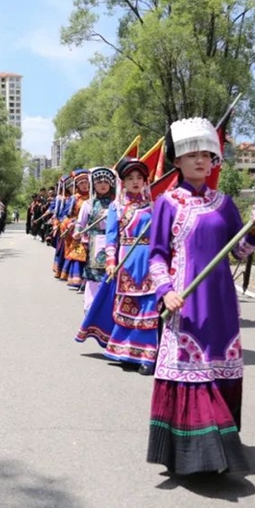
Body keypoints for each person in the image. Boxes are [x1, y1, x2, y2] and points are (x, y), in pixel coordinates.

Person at [146, 117, 255, 476]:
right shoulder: (166, 203)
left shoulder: (224, 203)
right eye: (192, 155)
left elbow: (240, 252)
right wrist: (165, 292)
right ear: (178, 161)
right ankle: (195, 456)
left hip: (222, 307)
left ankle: (219, 452)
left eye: (207, 155)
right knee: (192, 374)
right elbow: (155, 255)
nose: (201, 161)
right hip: (184, 306)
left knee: (218, 371)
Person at [103, 158, 158, 375]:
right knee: (128, 307)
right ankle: (125, 352)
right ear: (123, 182)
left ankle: (147, 356)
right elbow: (111, 237)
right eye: (130, 178)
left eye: (139, 178)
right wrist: (110, 261)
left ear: (145, 181)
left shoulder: (154, 207)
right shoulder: (115, 207)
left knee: (149, 309)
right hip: (126, 261)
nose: (135, 182)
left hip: (151, 262)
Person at [74, 167, 116, 313]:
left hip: (114, 243)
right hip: (95, 243)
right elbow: (80, 224)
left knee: (112, 275)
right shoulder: (88, 204)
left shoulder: (116, 204)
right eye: (99, 182)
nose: (103, 184)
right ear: (94, 184)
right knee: (94, 277)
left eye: (106, 181)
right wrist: (78, 232)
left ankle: (110, 307)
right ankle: (91, 308)